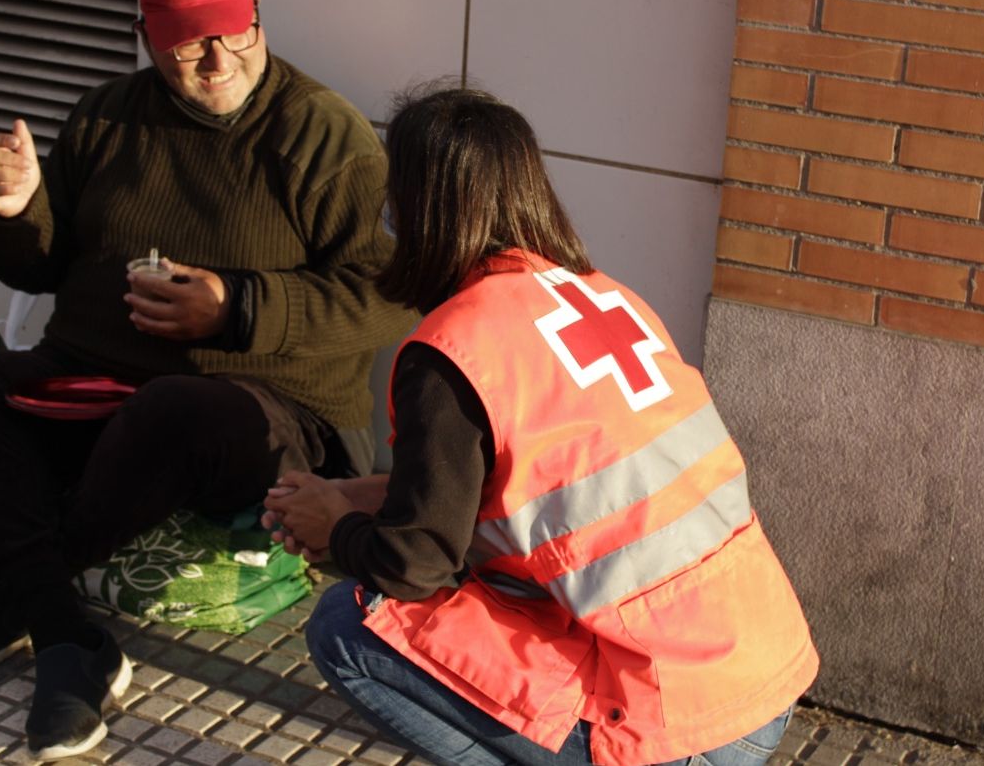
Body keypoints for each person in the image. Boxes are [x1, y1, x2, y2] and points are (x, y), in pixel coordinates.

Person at [0, 0, 413, 761]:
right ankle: (67, 634)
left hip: (264, 410)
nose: (215, 61)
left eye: (230, 35)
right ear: (149, 40)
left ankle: (16, 593)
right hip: (92, 376)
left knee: (176, 406)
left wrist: (236, 308)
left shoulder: (325, 137)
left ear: (257, 19)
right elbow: (38, 264)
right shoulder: (108, 115)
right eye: (186, 44)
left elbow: (388, 296)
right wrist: (12, 210)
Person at [262, 87, 819, 766]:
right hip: (762, 675)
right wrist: (357, 495)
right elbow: (535, 490)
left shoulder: (455, 349)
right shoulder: (608, 297)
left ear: (421, 211)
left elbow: (414, 567)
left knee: (350, 622)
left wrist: (335, 531)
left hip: (676, 728)